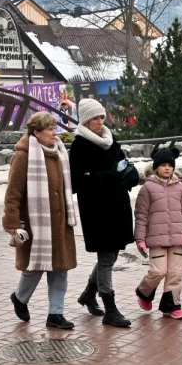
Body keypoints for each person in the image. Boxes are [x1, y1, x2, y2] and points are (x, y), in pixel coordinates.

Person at [3, 111, 78, 330]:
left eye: (55, 128)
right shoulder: (23, 156)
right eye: (50, 129)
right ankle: (20, 298)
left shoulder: (59, 152)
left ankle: (56, 314)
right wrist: (12, 224)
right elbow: (13, 194)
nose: (55, 134)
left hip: (60, 223)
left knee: (60, 269)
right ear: (36, 132)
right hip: (36, 224)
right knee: (34, 268)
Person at [70, 98, 140, 327]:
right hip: (97, 212)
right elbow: (80, 182)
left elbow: (125, 166)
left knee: (110, 255)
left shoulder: (109, 139)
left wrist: (127, 174)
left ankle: (89, 294)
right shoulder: (80, 146)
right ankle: (110, 308)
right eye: (94, 118)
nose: (99, 122)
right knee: (106, 258)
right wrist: (113, 176)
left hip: (117, 207)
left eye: (101, 117)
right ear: (85, 121)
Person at [134, 148, 182, 319]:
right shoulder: (148, 188)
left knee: (175, 273)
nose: (167, 168)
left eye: (170, 165)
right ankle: (144, 292)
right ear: (156, 167)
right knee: (158, 271)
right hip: (156, 239)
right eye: (163, 165)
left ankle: (171, 306)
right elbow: (141, 215)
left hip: (177, 238)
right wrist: (140, 238)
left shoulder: (180, 188)